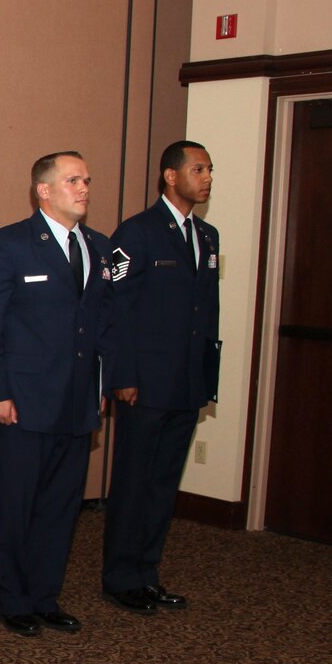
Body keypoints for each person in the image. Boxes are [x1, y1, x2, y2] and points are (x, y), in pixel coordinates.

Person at [0, 151, 119, 637]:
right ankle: (13, 600)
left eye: (87, 180)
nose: (83, 188)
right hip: (21, 403)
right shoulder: (8, 245)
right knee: (19, 504)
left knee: (61, 505)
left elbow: (102, 327)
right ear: (44, 190)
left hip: (76, 403)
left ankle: (45, 597)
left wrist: (99, 388)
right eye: (73, 180)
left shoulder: (99, 248)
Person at [102, 141, 221, 613]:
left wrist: (207, 378)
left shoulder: (207, 236)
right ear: (171, 176)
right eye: (198, 168)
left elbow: (205, 313)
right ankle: (120, 578)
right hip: (145, 384)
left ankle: (147, 572)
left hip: (186, 381)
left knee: (163, 483)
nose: (207, 177)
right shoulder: (137, 232)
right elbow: (117, 310)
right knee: (134, 482)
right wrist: (123, 375)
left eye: (210, 170)